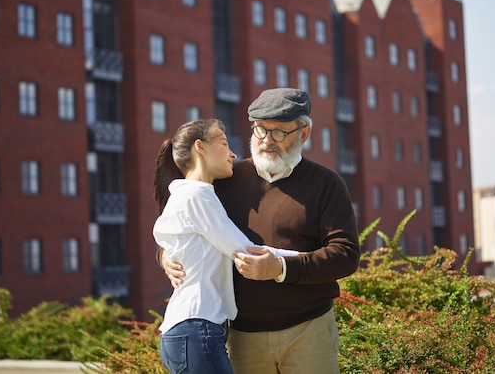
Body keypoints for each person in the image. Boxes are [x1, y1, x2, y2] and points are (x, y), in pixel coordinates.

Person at [162, 88, 361, 374]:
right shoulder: (226, 181)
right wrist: (165, 257)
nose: (266, 141)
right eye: (260, 130)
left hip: (308, 331)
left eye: (278, 132)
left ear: (303, 134)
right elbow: (183, 226)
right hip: (243, 338)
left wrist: (280, 268)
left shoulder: (327, 184)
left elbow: (345, 255)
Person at [151, 118, 298, 374]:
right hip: (196, 328)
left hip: (190, 330)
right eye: (223, 143)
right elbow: (245, 252)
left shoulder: (189, 195)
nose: (232, 153)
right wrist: (303, 258)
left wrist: (163, 256)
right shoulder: (197, 194)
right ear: (201, 147)